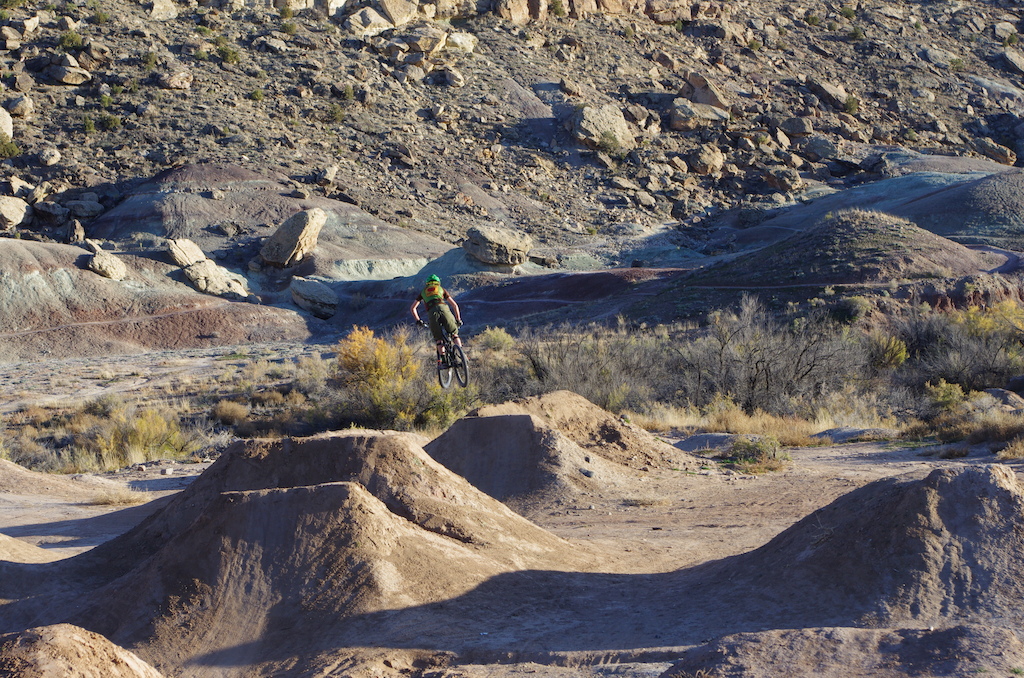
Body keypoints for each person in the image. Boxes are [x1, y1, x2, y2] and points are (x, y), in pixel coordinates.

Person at [411, 274, 463, 362]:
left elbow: (413, 308)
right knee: (454, 334)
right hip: (444, 309)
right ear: (438, 283)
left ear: (427, 283)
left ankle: (443, 360)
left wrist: (418, 320)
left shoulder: (423, 292)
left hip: (432, 313)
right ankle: (462, 354)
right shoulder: (441, 289)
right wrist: (458, 319)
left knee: (439, 339)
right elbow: (454, 305)